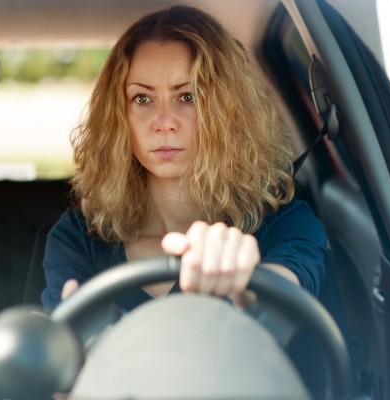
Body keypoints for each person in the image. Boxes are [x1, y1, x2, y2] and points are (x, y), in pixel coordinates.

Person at [41, 5, 328, 314]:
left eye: (187, 97)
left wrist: (248, 290)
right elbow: (67, 332)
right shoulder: (79, 237)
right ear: (118, 116)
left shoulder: (284, 222)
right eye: (142, 99)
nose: (164, 122)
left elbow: (289, 283)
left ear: (228, 112)